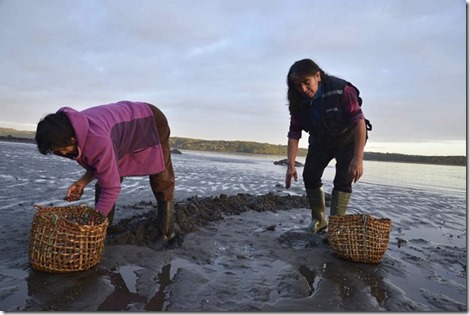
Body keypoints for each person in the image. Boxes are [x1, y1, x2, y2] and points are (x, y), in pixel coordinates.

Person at [35, 100, 175, 247]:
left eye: (63, 149)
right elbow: (100, 163)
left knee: (161, 178)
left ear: (72, 139)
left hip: (149, 120)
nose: (62, 154)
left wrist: (94, 223)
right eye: (56, 151)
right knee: (104, 181)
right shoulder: (67, 128)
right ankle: (104, 231)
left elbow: (111, 188)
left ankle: (167, 233)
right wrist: (81, 182)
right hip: (120, 132)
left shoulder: (98, 139)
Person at [284, 59, 371, 233]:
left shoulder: (342, 90)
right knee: (309, 175)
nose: (302, 89)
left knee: (343, 180)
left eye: (306, 83)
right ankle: (319, 220)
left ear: (318, 76)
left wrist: (358, 158)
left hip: (349, 139)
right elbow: (294, 133)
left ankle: (336, 227)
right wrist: (291, 165)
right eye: (297, 85)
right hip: (320, 140)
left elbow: (359, 122)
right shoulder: (297, 100)